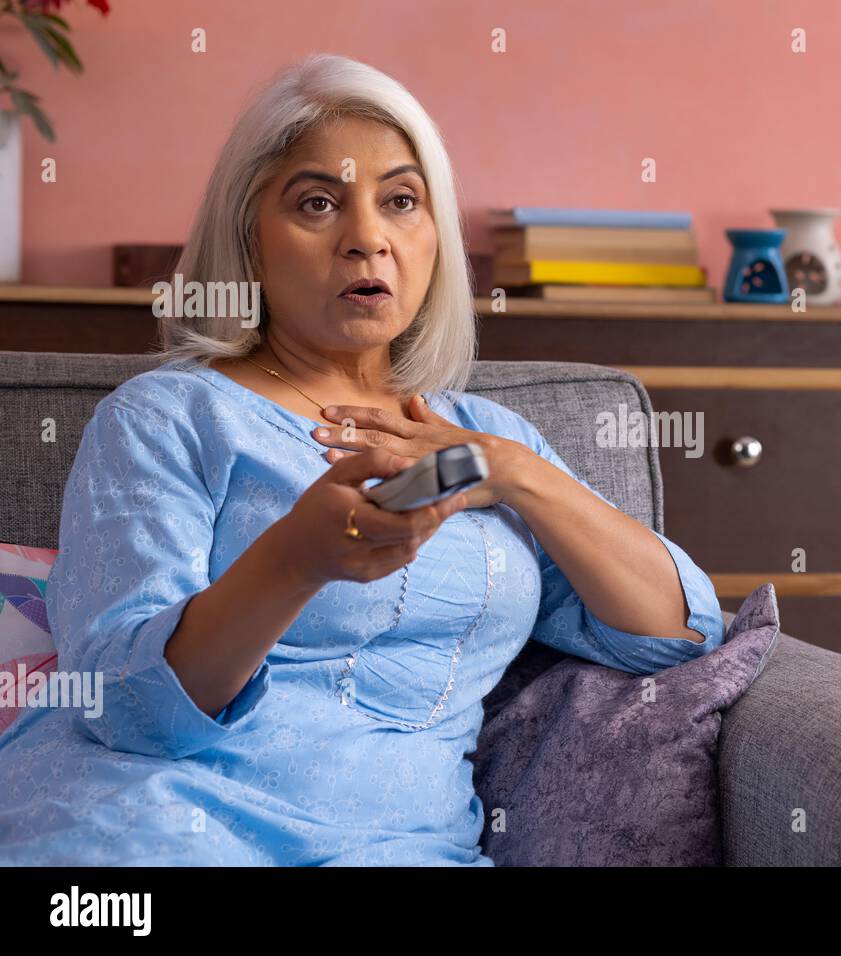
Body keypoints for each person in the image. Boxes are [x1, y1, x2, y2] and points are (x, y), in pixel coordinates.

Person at [0, 53, 724, 866]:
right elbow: (124, 708)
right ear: (250, 238)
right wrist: (293, 561)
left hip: (402, 849)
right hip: (161, 823)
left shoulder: (486, 436)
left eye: (402, 202)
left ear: (435, 237)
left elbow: (674, 634)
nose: (367, 240)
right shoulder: (167, 417)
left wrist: (511, 471)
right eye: (317, 204)